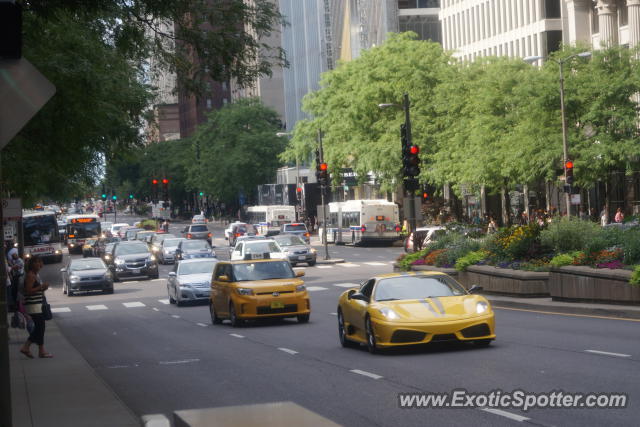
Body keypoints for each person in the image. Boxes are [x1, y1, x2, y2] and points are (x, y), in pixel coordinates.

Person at [19, 256, 53, 359]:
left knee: (40, 327)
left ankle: (40, 350)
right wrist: (41, 287)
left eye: (40, 262)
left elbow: (34, 290)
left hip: (36, 304)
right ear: (32, 264)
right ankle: (27, 347)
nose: (39, 264)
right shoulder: (30, 275)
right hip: (33, 305)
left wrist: (42, 288)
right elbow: (28, 291)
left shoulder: (35, 275)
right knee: (40, 327)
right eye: (37, 262)